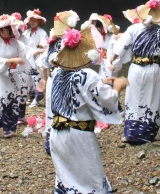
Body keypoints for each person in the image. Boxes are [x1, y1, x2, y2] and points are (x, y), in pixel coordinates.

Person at [48, 26, 128, 193]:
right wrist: (118, 86)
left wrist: (101, 82)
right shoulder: (87, 75)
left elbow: (78, 89)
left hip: (57, 132)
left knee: (66, 175)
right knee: (90, 175)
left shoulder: (57, 73)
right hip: (78, 134)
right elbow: (107, 99)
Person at [111, 0, 160, 143]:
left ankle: (131, 133)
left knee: (133, 97)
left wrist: (112, 59)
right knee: (151, 98)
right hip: (153, 68)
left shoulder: (134, 28)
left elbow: (121, 46)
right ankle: (147, 134)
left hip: (136, 67)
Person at [0, 14, 42, 138]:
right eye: (3, 29)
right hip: (1, 75)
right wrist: (13, 60)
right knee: (0, 100)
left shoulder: (16, 43)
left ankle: (9, 128)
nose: (6, 32)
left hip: (14, 74)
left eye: (8, 29)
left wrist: (37, 52)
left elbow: (27, 52)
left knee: (13, 101)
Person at [35, 10, 80, 154]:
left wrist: (44, 76)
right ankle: (68, 143)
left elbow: (44, 62)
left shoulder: (55, 41)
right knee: (68, 108)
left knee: (54, 109)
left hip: (55, 79)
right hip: (70, 80)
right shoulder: (76, 40)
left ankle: (54, 143)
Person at [84, 12, 120, 131]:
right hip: (104, 63)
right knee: (103, 85)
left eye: (97, 27)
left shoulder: (112, 37)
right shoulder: (101, 37)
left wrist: (114, 64)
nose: (97, 30)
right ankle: (115, 108)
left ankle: (112, 111)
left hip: (110, 64)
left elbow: (119, 53)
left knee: (108, 86)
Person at [21, 9, 48, 108]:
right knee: (28, 78)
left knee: (37, 77)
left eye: (35, 21)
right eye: (31, 21)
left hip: (38, 57)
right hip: (28, 57)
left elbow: (45, 44)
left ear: (39, 22)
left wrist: (39, 45)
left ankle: (37, 98)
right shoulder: (26, 32)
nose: (32, 23)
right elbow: (22, 45)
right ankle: (31, 97)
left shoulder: (42, 32)